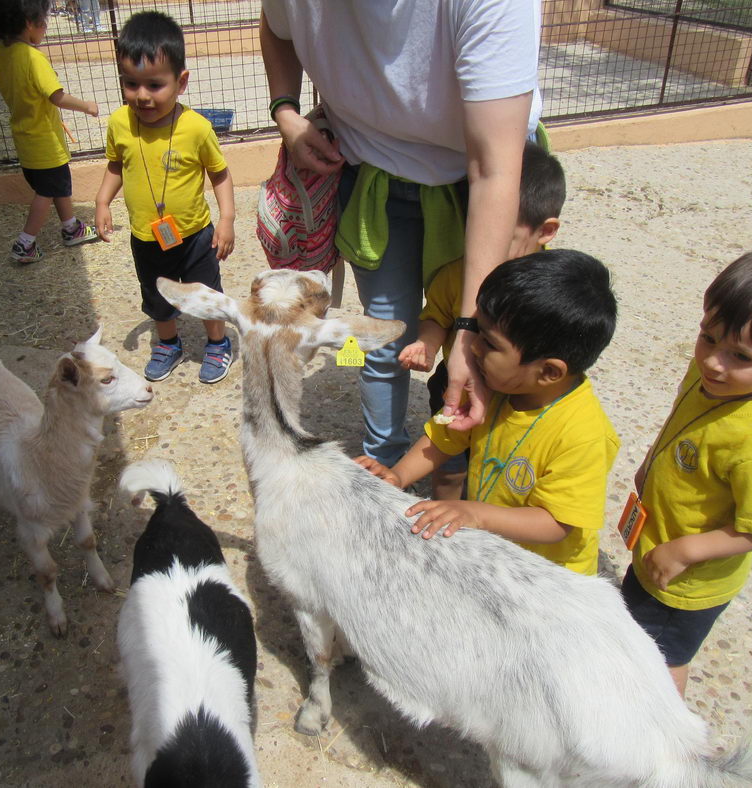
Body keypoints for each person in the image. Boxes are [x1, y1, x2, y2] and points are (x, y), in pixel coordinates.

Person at [260, 0, 539, 466]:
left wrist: (468, 327)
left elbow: (494, 171)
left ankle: (482, 470)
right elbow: (276, 27)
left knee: (488, 347)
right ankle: (385, 464)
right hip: (374, 180)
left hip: (481, 188)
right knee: (384, 338)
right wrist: (285, 111)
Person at [620, 243, 752, 697]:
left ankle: (659, 738)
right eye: (708, 337)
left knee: (661, 659)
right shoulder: (708, 375)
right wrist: (652, 462)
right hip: (657, 546)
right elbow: (680, 417)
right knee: (633, 635)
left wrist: (685, 551)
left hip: (688, 581)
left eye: (741, 357)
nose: (713, 361)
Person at [358, 250, 619, 576]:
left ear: (549, 371)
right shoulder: (495, 387)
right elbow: (443, 437)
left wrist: (474, 514)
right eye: (476, 331)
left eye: (490, 343)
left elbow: (557, 522)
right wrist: (398, 475)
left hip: (545, 578)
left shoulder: (582, 434)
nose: (473, 348)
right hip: (496, 557)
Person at [399, 141, 565, 499]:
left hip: (516, 397)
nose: (484, 247)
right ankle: (444, 519)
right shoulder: (457, 274)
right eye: (476, 232)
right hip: (454, 389)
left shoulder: (554, 290)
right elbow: (437, 315)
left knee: (497, 475)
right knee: (450, 470)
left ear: (545, 231)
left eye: (502, 236)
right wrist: (426, 344)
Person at [95, 10, 236, 384]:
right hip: (146, 235)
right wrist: (102, 202)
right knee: (156, 295)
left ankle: (218, 343)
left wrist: (226, 220)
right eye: (131, 84)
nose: (141, 96)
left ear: (181, 81)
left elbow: (219, 174)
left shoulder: (196, 128)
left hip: (193, 235)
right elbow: (115, 165)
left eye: (154, 85)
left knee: (205, 293)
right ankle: (168, 343)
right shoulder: (118, 123)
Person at [0, 0, 100, 264]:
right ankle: (25, 243)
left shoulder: (1, 54)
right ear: (28, 23)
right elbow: (56, 96)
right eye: (44, 20)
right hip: (45, 142)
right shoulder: (33, 58)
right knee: (47, 192)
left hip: (25, 138)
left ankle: (71, 228)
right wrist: (88, 107)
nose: (46, 26)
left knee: (57, 187)